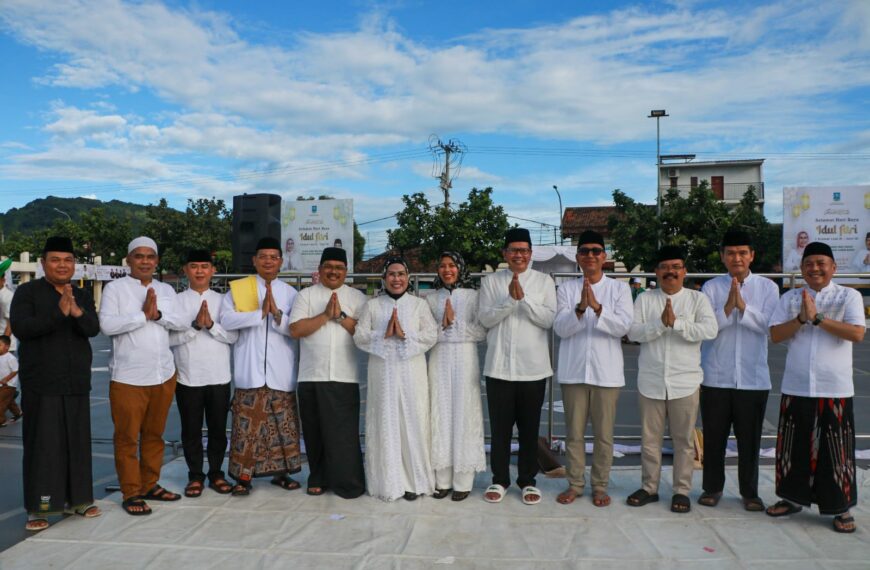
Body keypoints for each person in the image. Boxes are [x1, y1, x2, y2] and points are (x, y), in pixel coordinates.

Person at [767, 241, 865, 533]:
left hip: (834, 387)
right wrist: (800, 318)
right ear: (802, 269)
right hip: (796, 385)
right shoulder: (791, 298)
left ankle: (840, 507)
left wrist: (819, 318)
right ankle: (791, 498)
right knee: (792, 447)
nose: (815, 268)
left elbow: (857, 333)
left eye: (821, 263)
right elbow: (775, 334)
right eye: (809, 263)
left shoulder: (849, 296)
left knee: (836, 452)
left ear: (833, 267)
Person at [11, 236, 101, 531]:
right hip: (42, 383)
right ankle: (40, 506)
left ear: (74, 264)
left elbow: (92, 329)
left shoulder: (82, 295)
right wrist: (58, 312)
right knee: (43, 445)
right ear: (43, 263)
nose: (62, 265)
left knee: (77, 443)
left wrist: (76, 312)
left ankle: (79, 499)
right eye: (55, 260)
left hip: (76, 381)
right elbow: (23, 329)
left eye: (68, 260)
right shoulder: (27, 292)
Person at [100, 236, 187, 516]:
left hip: (163, 374)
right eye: (139, 256)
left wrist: (158, 313)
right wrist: (142, 316)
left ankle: (150, 484)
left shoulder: (166, 290)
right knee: (126, 438)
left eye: (150, 257)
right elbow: (107, 325)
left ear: (157, 261)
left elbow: (181, 321)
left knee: (154, 435)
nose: (145, 261)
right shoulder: (115, 289)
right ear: (129, 260)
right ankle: (131, 492)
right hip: (128, 377)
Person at [627, 245, 717, 514]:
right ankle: (649, 487)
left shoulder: (696, 300)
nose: (670, 272)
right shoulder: (644, 299)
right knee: (650, 439)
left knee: (683, 441)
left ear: (684, 272)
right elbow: (633, 333)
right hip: (651, 382)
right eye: (665, 267)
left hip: (685, 382)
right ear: (656, 272)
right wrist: (660, 325)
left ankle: (681, 490)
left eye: (676, 267)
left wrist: (676, 324)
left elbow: (710, 330)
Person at [699, 229, 779, 511]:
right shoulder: (710, 288)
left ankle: (750, 492)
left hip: (753, 378)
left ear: (752, 256)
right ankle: (712, 488)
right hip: (715, 375)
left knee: (750, 440)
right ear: (722, 256)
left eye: (742, 252)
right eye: (731, 253)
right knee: (714, 438)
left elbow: (769, 329)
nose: (737, 258)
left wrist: (742, 307)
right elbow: (708, 330)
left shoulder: (768, 288)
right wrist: (727, 309)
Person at [554, 231, 633, 508]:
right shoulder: (565, 289)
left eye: (596, 251)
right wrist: (579, 309)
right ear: (577, 257)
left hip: (606, 373)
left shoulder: (619, 289)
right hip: (573, 371)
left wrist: (598, 308)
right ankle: (575, 483)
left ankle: (600, 485)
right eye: (585, 251)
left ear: (605, 256)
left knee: (604, 435)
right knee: (573, 434)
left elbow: (624, 327)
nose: (590, 255)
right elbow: (560, 329)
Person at [478, 228, 556, 506]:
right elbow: (485, 319)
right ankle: (499, 480)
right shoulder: (490, 282)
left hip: (533, 369)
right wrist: (509, 301)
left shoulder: (544, 281)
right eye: (514, 250)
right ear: (505, 254)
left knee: (528, 429)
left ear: (531, 254)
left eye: (524, 250)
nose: (519, 255)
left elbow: (548, 320)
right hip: (499, 367)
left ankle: (527, 481)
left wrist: (524, 299)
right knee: (499, 430)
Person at [220, 237, 302, 495]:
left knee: (282, 426)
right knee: (248, 430)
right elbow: (226, 320)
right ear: (254, 260)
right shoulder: (239, 289)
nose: (268, 261)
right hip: (250, 369)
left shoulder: (290, 293)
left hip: (280, 370)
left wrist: (278, 315)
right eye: (263, 256)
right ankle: (243, 477)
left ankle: (282, 472)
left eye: (273, 257)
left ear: (281, 261)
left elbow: (296, 329)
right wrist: (260, 314)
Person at [354, 256, 438, 501]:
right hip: (382, 373)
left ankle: (414, 482)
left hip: (412, 371)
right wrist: (383, 333)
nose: (396, 278)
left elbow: (430, 335)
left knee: (413, 421)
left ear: (408, 278)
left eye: (401, 274)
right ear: (384, 278)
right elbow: (359, 336)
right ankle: (389, 482)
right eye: (391, 274)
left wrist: (404, 335)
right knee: (386, 421)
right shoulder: (372, 306)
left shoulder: (419, 305)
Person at [289, 247, 366, 498]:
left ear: (346, 271)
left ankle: (347, 482)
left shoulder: (357, 298)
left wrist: (341, 315)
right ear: (320, 269)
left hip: (345, 375)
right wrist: (324, 315)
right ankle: (318, 477)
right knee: (314, 431)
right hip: (311, 374)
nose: (334, 272)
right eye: (329, 267)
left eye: (339, 268)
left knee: (344, 435)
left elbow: (363, 334)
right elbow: (296, 330)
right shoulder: (306, 296)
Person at [169, 250, 238, 498]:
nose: (199, 271)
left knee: (219, 430)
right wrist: (195, 327)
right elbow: (169, 339)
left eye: (204, 266)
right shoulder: (175, 302)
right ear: (185, 270)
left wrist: (211, 326)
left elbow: (234, 336)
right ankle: (195, 475)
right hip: (188, 377)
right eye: (194, 266)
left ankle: (217, 473)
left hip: (219, 376)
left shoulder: (224, 301)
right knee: (191, 430)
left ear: (213, 270)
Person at [426, 251, 487, 502]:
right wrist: (442, 325)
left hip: (465, 360)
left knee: (464, 414)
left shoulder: (474, 297)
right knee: (440, 413)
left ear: (460, 268)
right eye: (442, 266)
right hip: (439, 360)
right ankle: (442, 480)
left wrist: (456, 324)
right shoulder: (430, 299)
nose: (447, 270)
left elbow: (482, 330)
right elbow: (426, 334)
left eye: (452, 265)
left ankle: (463, 480)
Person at [0, 335, 21, 427]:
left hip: (9, 385)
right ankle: (18, 413)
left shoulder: (10, 358)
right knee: (8, 401)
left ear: (7, 346)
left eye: (0, 345)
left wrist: (6, 379)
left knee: (1, 402)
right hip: (1, 384)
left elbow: (15, 370)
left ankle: (1, 421)